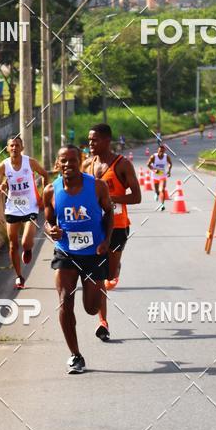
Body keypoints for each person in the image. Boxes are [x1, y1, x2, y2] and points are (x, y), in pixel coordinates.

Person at [44, 145, 113, 374]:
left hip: (93, 254)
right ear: (57, 163)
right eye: (63, 161)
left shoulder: (97, 187)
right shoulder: (50, 191)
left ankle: (95, 288)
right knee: (65, 299)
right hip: (66, 252)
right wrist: (51, 230)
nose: (68, 165)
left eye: (72, 161)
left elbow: (109, 213)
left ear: (79, 161)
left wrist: (106, 241)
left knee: (91, 309)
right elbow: (48, 220)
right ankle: (75, 355)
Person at [84, 123, 142, 341]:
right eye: (89, 140)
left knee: (109, 274)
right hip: (95, 228)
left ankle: (115, 267)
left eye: (95, 140)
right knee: (99, 278)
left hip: (117, 226)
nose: (91, 143)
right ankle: (103, 323)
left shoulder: (122, 164)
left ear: (107, 140)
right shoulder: (87, 165)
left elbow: (136, 197)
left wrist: (109, 199)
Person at [0, 136, 50, 290]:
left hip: (30, 206)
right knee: (12, 245)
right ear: (7, 148)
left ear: (22, 147)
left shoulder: (29, 162)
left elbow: (44, 174)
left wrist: (44, 194)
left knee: (25, 242)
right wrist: (1, 188)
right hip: (12, 207)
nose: (14, 148)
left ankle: (28, 249)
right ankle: (19, 277)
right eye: (11, 145)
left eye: (17, 145)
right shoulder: (3, 167)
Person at [147, 143, 172, 212]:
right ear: (157, 151)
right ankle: (156, 193)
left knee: (162, 190)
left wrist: (169, 170)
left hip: (162, 175)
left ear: (164, 152)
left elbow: (170, 163)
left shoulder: (166, 157)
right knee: (157, 191)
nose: (161, 152)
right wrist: (154, 169)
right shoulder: (153, 157)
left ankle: (162, 205)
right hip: (155, 176)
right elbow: (148, 164)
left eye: (162, 151)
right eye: (160, 151)